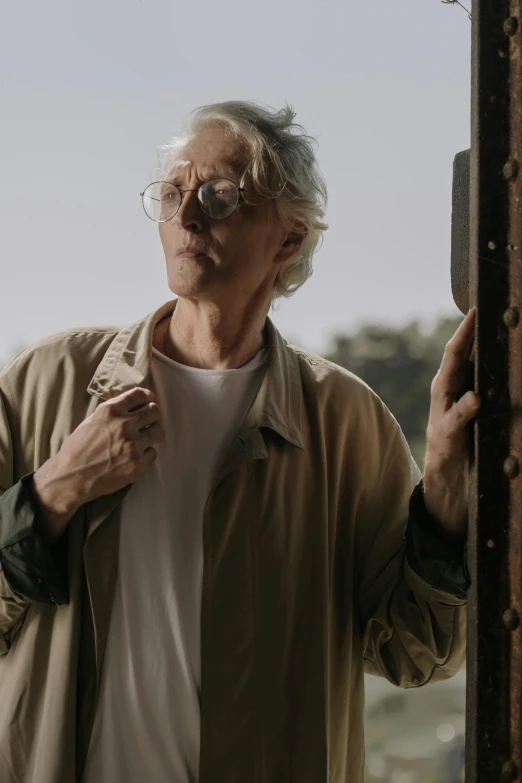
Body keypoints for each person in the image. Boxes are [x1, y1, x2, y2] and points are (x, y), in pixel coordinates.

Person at [0, 101, 479, 783]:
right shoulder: (46, 382)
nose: (187, 216)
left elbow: (415, 651)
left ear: (288, 238)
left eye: (219, 195)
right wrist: (57, 487)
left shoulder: (346, 421)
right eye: (172, 193)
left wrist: (443, 488)